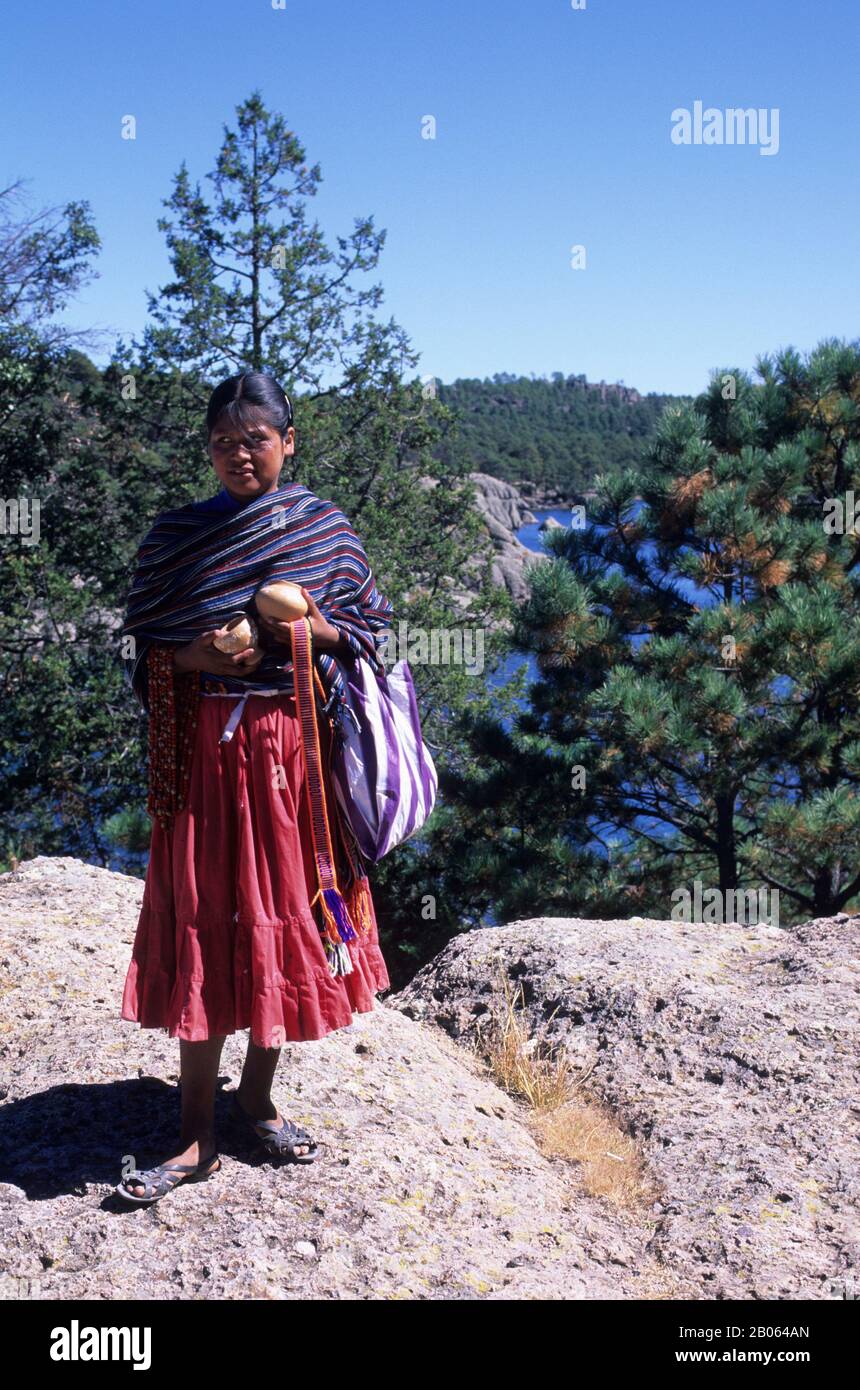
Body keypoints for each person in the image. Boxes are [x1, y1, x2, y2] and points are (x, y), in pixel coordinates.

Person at [115, 370, 394, 1202]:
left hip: (288, 753)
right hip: (204, 750)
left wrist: (304, 628)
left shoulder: (323, 529)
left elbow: (368, 636)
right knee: (205, 920)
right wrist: (193, 658)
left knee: (288, 915)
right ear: (208, 449)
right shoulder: (178, 538)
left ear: (288, 442)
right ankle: (194, 1135)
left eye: (256, 441)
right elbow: (144, 652)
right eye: (223, 444)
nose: (239, 456)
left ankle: (258, 1099)